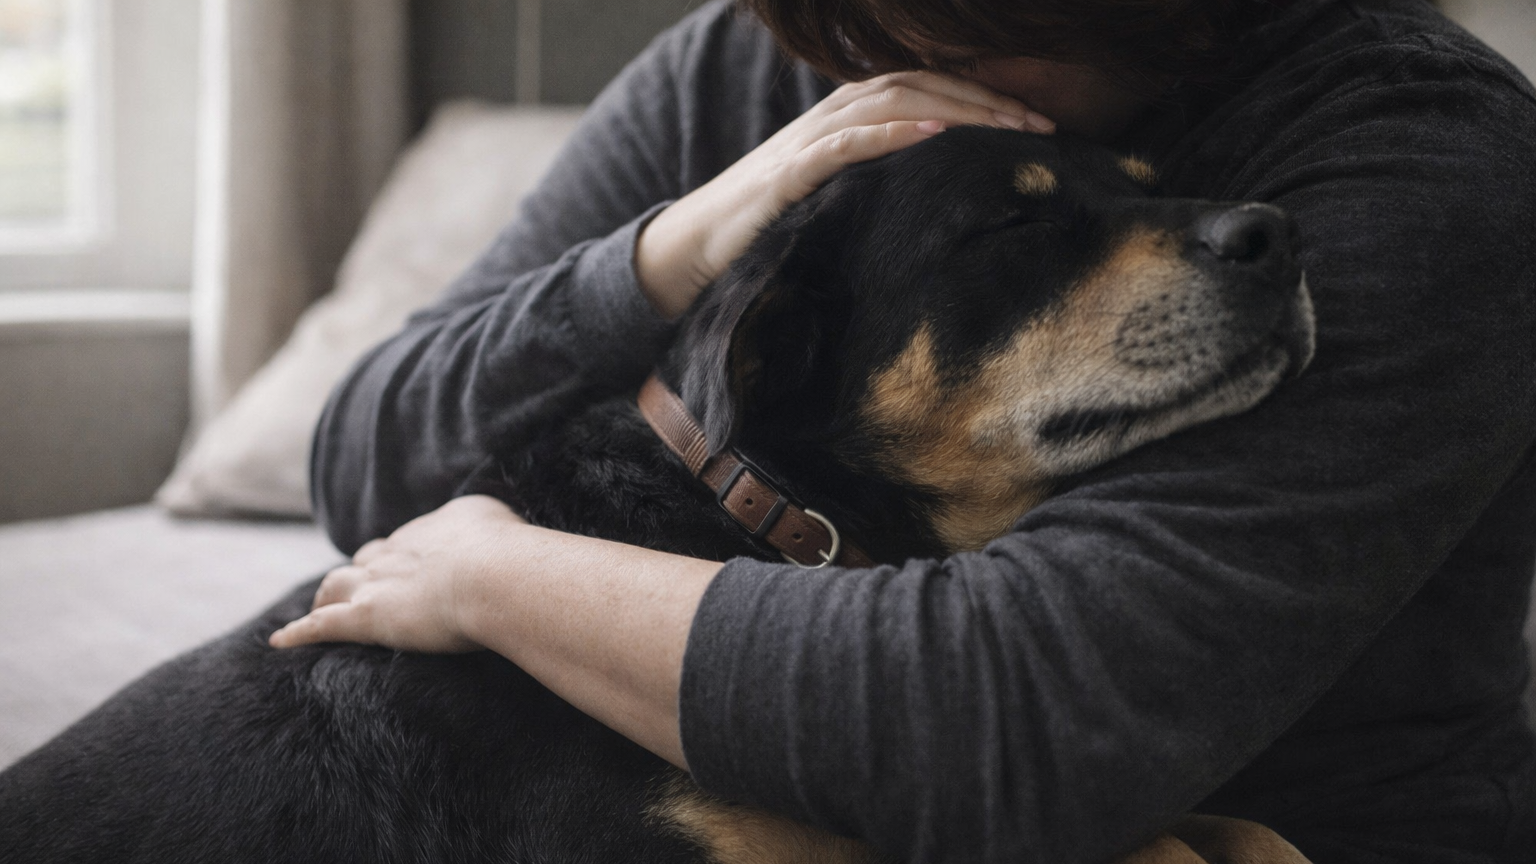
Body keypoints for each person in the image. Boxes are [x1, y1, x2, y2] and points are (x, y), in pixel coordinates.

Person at [270, 0, 1536, 861]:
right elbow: (367, 463)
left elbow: (1018, 713)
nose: (888, 53)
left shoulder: (1419, 153)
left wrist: (496, 575)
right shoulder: (784, 59)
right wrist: (676, 246)